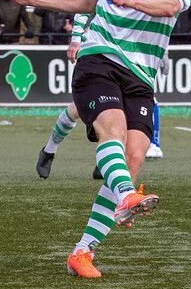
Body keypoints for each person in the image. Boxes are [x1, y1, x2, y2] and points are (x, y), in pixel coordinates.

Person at [4, 0, 191, 278]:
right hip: (100, 55)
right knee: (112, 129)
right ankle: (126, 196)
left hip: (142, 72)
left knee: (134, 158)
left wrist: (130, 0)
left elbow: (172, 5)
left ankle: (82, 252)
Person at [36, 14, 165, 181]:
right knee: (78, 110)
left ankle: (108, 159)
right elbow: (83, 6)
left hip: (133, 64)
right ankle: (49, 150)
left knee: (124, 117)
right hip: (103, 56)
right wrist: (76, 39)